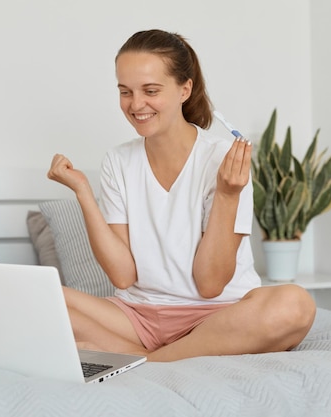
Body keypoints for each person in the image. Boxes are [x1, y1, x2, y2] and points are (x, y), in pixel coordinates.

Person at [47, 29, 316, 362]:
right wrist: (83, 192)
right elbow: (122, 276)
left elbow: (210, 284)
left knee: (295, 304)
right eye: (125, 92)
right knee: (36, 298)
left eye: (150, 91)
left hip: (217, 316)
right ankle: (159, 352)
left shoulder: (222, 159)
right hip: (136, 317)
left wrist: (228, 194)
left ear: (184, 89)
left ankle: (147, 359)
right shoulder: (118, 160)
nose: (136, 104)